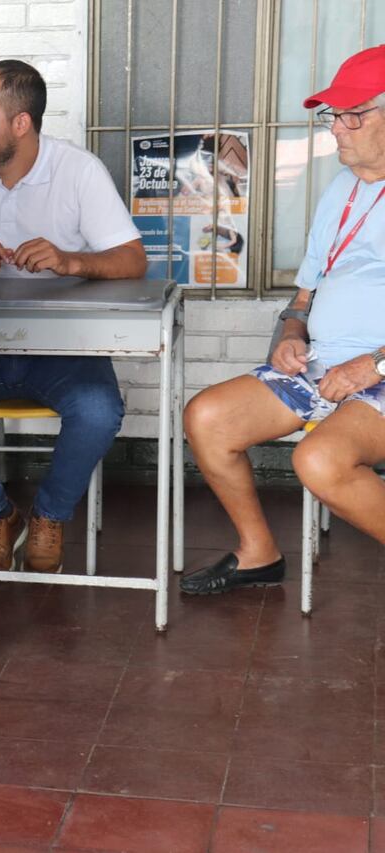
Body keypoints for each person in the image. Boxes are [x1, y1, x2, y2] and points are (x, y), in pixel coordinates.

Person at [180, 45, 385, 595]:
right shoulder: (342, 189)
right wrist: (291, 333)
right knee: (207, 417)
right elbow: (302, 298)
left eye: (353, 114)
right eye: (332, 115)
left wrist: (374, 363)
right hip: (327, 366)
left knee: (319, 460)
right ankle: (259, 554)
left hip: (379, 373)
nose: (337, 129)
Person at [0, 60, 147, 573]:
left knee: (98, 410)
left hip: (62, 349)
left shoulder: (77, 170)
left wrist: (72, 262)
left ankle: (49, 515)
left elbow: (133, 259)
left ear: (20, 124)